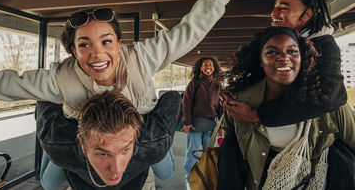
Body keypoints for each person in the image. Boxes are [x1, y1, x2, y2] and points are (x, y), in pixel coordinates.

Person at [0, 0, 244, 189]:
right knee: (51, 181)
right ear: (73, 51)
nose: (97, 54)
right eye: (84, 45)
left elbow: (189, 31)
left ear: (119, 44)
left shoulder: (142, 58)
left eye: (105, 41)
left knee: (165, 168)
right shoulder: (60, 78)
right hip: (79, 138)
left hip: (137, 136)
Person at [218, 26, 354, 190]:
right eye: (272, 52)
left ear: (302, 58)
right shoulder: (241, 101)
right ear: (260, 61)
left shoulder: (327, 101)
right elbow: (230, 141)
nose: (284, 57)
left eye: (292, 51)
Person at [36, 90, 182, 190]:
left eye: (125, 150)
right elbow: (172, 98)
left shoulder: (57, 141)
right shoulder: (152, 140)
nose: (116, 170)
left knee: (48, 182)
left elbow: (43, 100)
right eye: (104, 153)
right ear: (82, 143)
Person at [181, 57, 222, 186]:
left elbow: (221, 107)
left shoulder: (218, 84)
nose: (208, 67)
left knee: (208, 153)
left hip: (211, 124)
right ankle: (189, 179)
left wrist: (222, 125)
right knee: (192, 152)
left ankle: (206, 177)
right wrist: (187, 122)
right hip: (195, 124)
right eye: (205, 65)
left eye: (210, 65)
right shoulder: (194, 83)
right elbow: (186, 103)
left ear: (214, 68)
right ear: (200, 67)